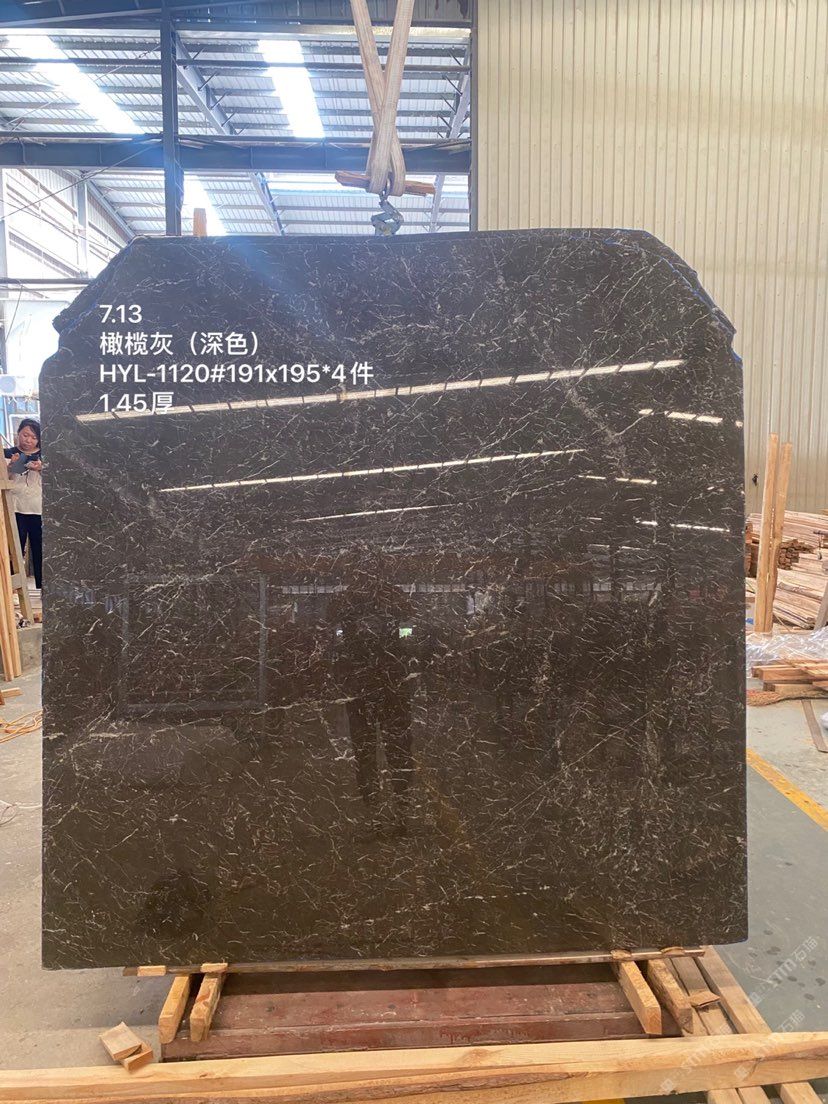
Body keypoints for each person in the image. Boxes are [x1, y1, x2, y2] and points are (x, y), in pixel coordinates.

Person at [5, 418, 42, 591]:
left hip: (38, 508)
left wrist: (42, 468)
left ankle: (44, 588)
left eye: (34, 437)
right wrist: (10, 466)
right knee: (14, 549)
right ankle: (12, 589)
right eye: (25, 435)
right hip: (14, 507)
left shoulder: (45, 455)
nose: (28, 440)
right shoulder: (7, 453)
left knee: (40, 549)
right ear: (18, 433)